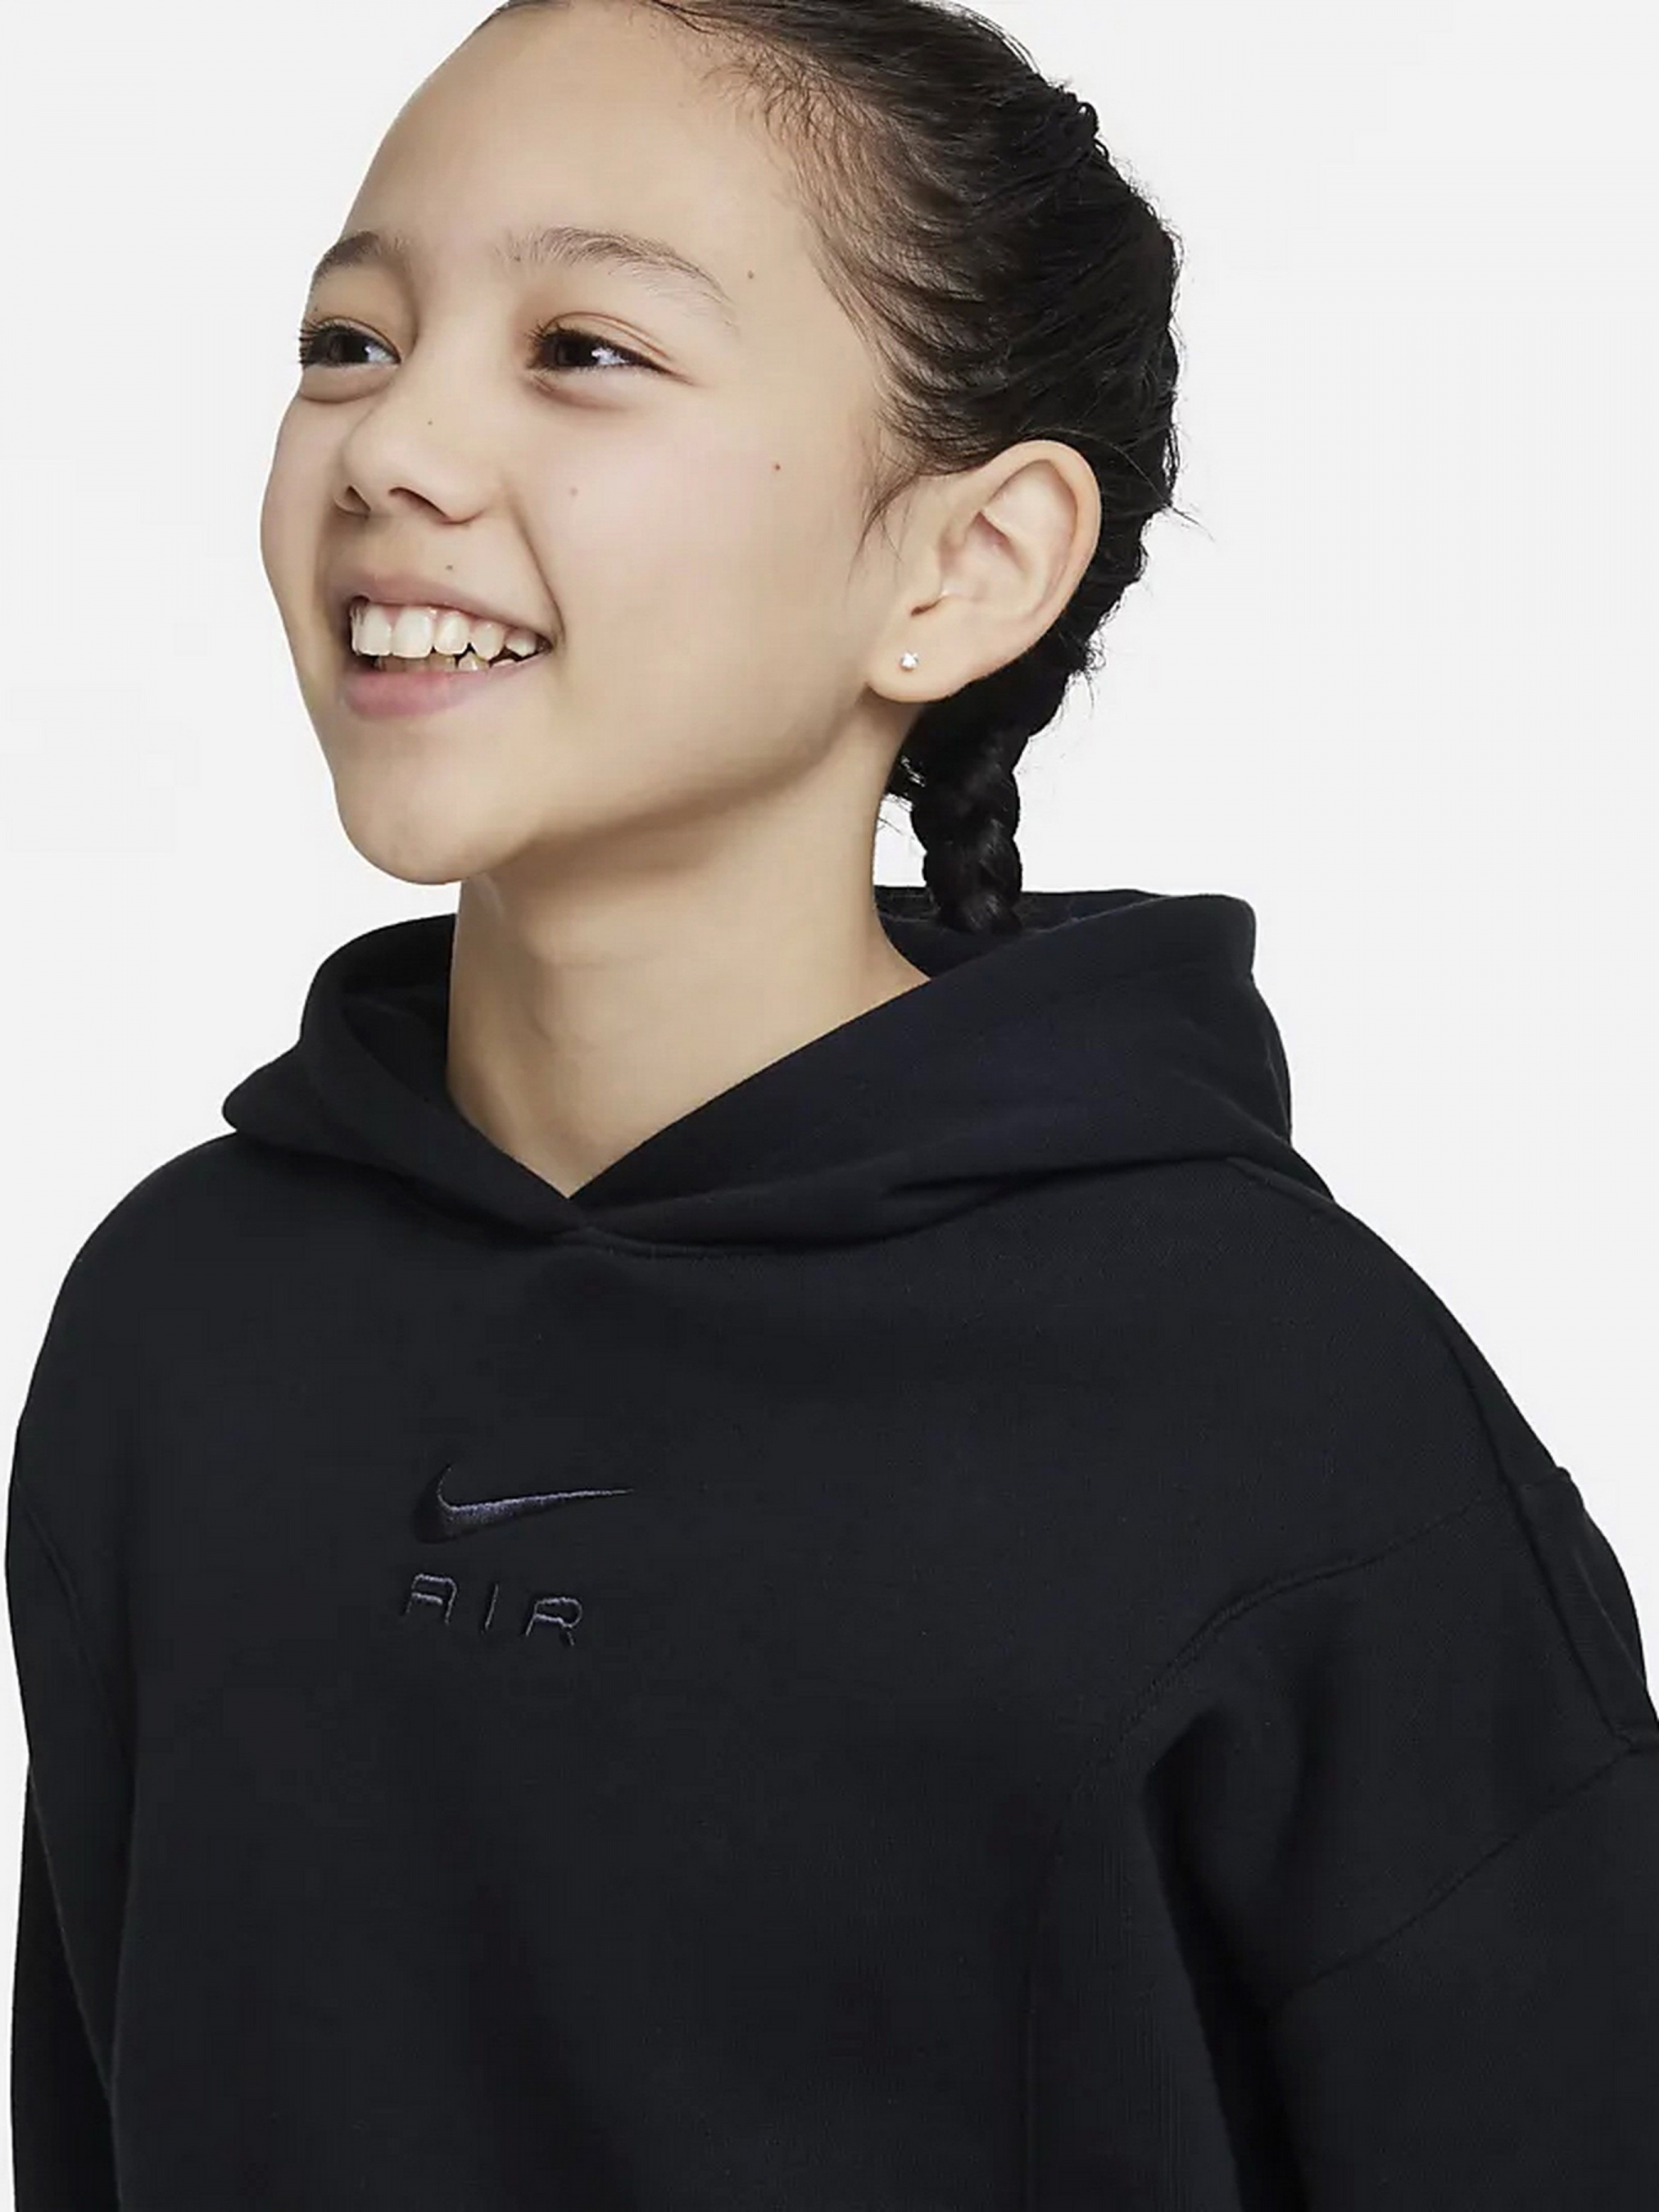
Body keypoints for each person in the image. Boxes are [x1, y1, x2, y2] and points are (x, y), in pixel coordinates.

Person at [7, 1, 1657, 2205]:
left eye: (583, 349)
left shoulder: (1286, 1412)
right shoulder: (184, 1323)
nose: (394, 442)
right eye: (349, 340)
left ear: (962, 567)